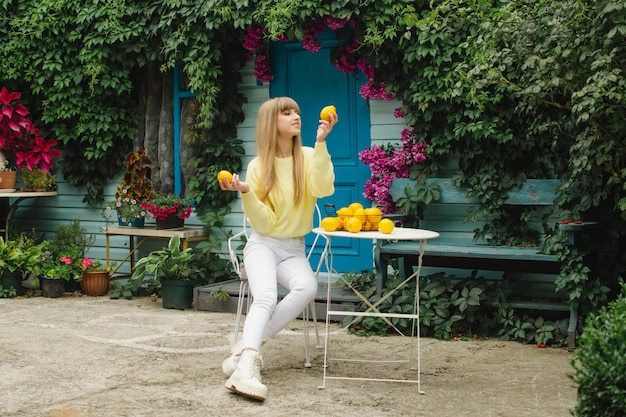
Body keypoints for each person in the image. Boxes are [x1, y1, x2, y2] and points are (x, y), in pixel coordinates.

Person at [218, 96, 338, 401]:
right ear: (273, 123)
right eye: (287, 113)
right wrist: (246, 193)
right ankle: (248, 369)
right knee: (267, 296)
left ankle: (244, 351)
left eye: (297, 111)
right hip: (263, 245)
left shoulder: (310, 156)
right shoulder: (259, 166)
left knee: (307, 287)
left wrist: (322, 142)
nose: (296, 116)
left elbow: (323, 189)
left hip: (294, 248)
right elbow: (265, 222)